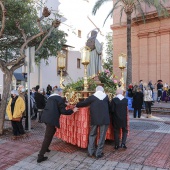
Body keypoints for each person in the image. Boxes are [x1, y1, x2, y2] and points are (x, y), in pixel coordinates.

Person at [37, 87, 78, 163]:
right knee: (47, 137)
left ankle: (46, 148)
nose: (62, 94)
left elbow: (56, 106)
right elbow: (63, 112)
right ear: (59, 93)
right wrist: (72, 110)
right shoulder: (59, 98)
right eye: (61, 93)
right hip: (51, 119)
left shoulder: (51, 98)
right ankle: (40, 156)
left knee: (52, 131)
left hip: (45, 117)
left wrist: (65, 104)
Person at [76, 86, 110, 159]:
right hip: (104, 119)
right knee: (102, 136)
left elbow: (84, 103)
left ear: (96, 90)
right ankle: (98, 153)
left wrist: (76, 104)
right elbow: (109, 107)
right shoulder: (106, 97)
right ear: (103, 90)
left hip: (95, 119)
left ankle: (91, 152)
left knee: (92, 134)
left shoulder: (92, 97)